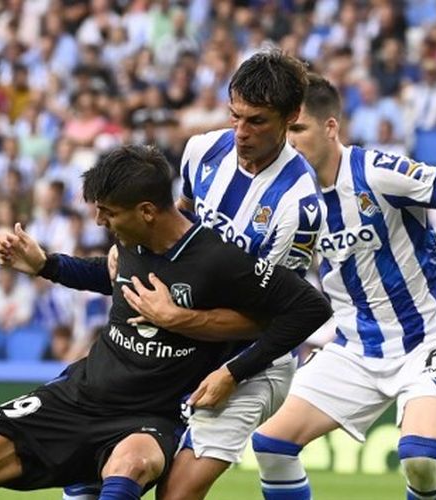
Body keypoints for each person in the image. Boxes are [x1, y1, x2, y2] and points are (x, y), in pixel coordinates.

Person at [0, 145, 331, 500]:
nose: (101, 222)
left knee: (131, 466)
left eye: (108, 213)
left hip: (150, 417)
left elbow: (309, 309)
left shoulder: (219, 261)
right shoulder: (130, 240)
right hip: (79, 396)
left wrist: (234, 371)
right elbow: (109, 276)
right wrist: (46, 264)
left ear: (147, 211)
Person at [251, 73, 436, 500]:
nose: (290, 141)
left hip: (426, 338)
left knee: (420, 459)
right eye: (285, 132)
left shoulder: (378, 172)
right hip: (357, 347)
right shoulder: (289, 197)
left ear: (330, 127)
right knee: (271, 446)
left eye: (298, 129)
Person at [58, 50, 323, 500]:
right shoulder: (203, 151)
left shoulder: (299, 205)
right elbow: (174, 233)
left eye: (257, 121)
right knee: (88, 468)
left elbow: (278, 318)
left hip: (250, 363)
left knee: (175, 495)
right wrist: (131, 253)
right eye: (235, 116)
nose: (241, 133)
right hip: (178, 354)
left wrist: (214, 355)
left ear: (292, 116)